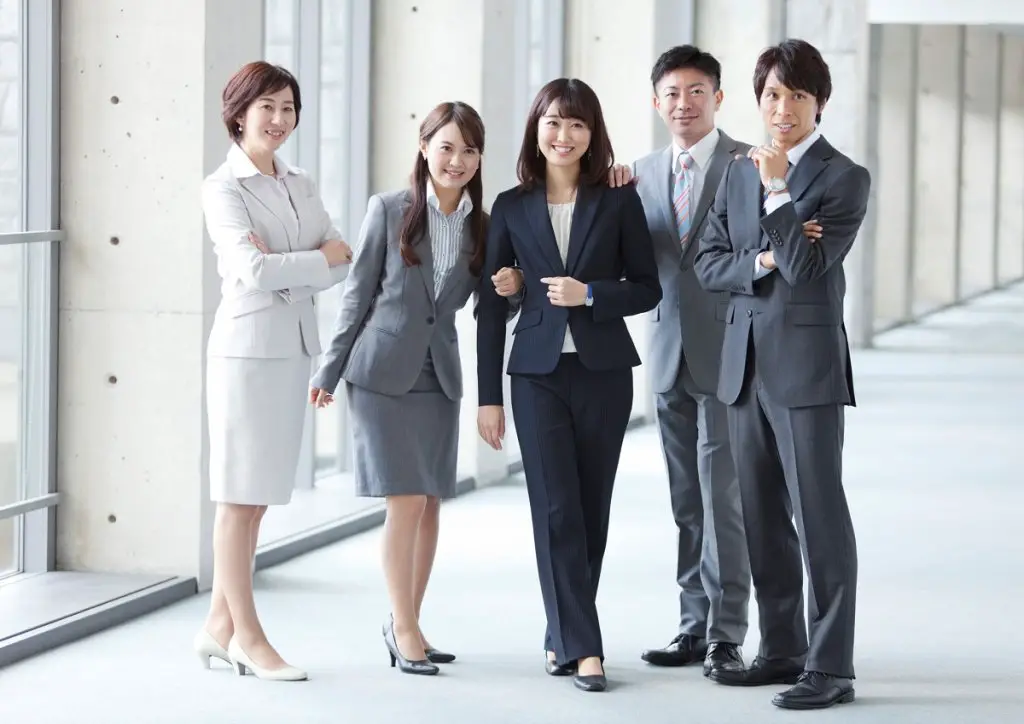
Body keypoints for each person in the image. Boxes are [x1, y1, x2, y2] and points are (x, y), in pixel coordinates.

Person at [308, 102, 523, 677]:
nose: (457, 161)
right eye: (446, 147)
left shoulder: (485, 224)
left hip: (440, 375)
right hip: (381, 373)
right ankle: (402, 628)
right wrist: (328, 371)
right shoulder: (389, 209)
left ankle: (410, 620)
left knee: (430, 504)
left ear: (480, 158)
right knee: (403, 500)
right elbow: (356, 296)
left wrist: (513, 286)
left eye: (469, 151)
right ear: (425, 146)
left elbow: (491, 307)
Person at [694, 39, 869, 710]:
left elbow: (809, 269)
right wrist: (763, 257)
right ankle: (783, 648)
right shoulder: (734, 171)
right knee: (762, 517)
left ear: (818, 102)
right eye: (772, 94)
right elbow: (711, 263)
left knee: (820, 518)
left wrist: (776, 193)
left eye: (797, 95)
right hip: (744, 367)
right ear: (758, 99)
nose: (783, 107)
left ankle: (832, 668)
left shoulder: (843, 178)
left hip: (806, 370)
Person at [476, 78, 662, 693]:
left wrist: (592, 295)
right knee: (555, 509)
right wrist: (487, 395)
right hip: (535, 377)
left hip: (604, 374)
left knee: (591, 509)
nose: (564, 135)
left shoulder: (618, 202)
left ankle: (562, 630)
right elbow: (491, 304)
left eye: (577, 125)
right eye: (553, 122)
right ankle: (585, 647)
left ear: (593, 134)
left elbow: (647, 287)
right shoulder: (509, 205)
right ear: (536, 128)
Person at [197, 61, 352, 682]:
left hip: (291, 349)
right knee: (238, 499)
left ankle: (215, 625)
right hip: (243, 354)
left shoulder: (300, 181)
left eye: (289, 108)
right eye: (268, 107)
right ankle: (248, 639)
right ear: (239, 112)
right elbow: (250, 271)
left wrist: (296, 262)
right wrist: (309, 260)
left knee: (258, 501)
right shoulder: (222, 187)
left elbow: (343, 258)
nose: (280, 120)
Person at [631, 44, 753, 679]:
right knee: (686, 500)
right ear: (657, 102)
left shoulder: (749, 164)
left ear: (718, 98)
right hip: (666, 355)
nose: (684, 103)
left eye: (696, 91)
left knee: (722, 498)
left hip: (730, 353)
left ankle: (726, 634)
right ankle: (692, 625)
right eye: (672, 93)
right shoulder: (639, 173)